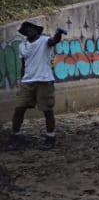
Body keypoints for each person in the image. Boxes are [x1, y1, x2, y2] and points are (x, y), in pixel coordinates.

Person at [9, 22, 65, 150]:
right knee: (19, 108)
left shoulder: (44, 41)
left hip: (44, 80)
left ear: (36, 30)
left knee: (47, 110)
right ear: (24, 32)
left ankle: (50, 137)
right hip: (27, 82)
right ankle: (15, 137)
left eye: (31, 28)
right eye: (26, 29)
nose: (29, 30)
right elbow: (24, 63)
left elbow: (54, 41)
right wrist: (22, 78)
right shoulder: (22, 46)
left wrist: (59, 33)